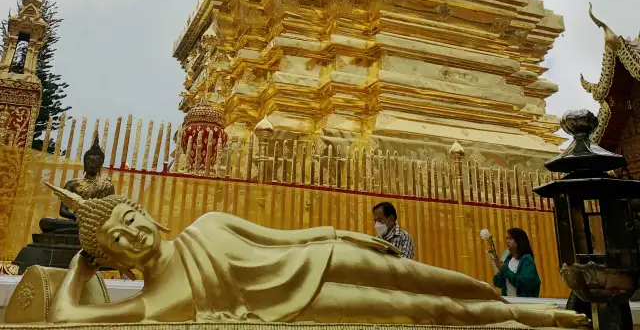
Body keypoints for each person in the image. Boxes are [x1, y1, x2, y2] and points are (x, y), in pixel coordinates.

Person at [41, 183, 587, 327]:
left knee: (428, 277)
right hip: (310, 305)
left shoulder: (207, 226)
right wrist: (80, 264)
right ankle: (523, 318)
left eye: (130, 218)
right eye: (117, 238)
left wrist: (346, 236)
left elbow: (286, 240)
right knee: (430, 311)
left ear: (147, 213)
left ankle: (525, 306)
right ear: (116, 259)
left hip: (317, 261)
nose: (132, 234)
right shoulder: (157, 301)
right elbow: (68, 317)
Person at [491, 227, 541, 298]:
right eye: (507, 238)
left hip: (524, 302)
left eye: (510, 238)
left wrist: (505, 270)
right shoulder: (508, 259)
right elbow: (498, 284)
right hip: (509, 301)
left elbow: (526, 283)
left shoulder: (526, 259)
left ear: (519, 240)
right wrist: (499, 270)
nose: (507, 241)